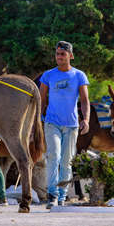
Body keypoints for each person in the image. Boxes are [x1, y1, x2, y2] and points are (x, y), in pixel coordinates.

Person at [39, 41, 90, 209]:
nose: (59, 57)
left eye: (62, 54)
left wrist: (86, 119)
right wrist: (39, 118)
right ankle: (51, 195)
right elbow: (42, 98)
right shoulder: (48, 75)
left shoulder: (79, 76)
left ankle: (62, 195)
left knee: (67, 161)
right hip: (52, 123)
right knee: (53, 156)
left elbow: (84, 100)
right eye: (57, 54)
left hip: (71, 125)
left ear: (70, 56)